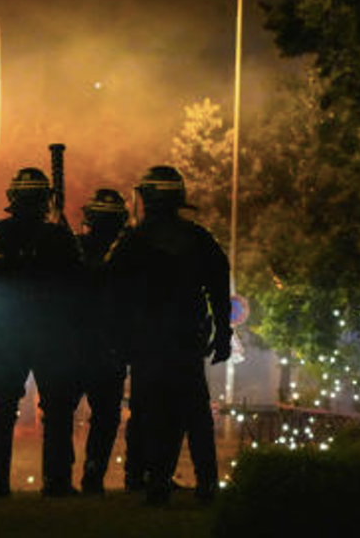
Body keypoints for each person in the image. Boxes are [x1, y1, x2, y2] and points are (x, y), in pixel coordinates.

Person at [107, 165, 232, 505]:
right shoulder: (200, 240)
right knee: (194, 413)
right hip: (187, 341)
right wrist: (223, 335)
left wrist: (118, 343)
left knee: (150, 413)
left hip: (146, 343)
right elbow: (220, 291)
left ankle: (157, 483)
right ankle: (207, 483)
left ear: (146, 198)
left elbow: (112, 295)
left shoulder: (132, 242)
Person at [0, 167, 82, 498]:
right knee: (56, 412)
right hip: (49, 339)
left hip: (7, 338)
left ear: (12, 197)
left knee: (2, 411)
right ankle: (56, 483)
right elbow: (81, 293)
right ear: (45, 200)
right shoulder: (59, 238)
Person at [73, 188, 136, 494]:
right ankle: (92, 476)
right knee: (106, 417)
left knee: (61, 416)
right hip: (109, 348)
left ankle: (57, 478)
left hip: (75, 346)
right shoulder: (127, 255)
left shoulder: (72, 248)